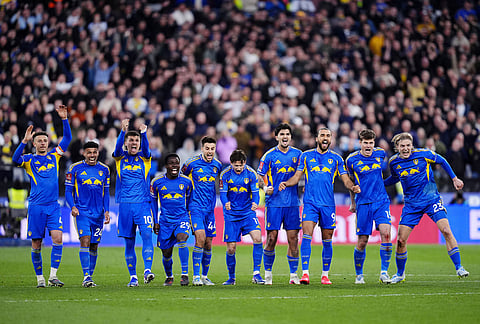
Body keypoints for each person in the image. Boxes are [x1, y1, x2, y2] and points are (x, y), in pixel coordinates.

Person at [385, 132, 469, 283]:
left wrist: (454, 178)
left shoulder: (424, 154)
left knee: (446, 230)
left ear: (412, 146)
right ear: (397, 147)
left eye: (408, 146)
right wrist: (379, 183)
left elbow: (442, 161)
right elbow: (395, 178)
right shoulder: (393, 162)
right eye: (402, 146)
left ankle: (459, 267)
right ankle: (400, 274)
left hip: (431, 200)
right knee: (400, 241)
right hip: (411, 205)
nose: (405, 149)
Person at [279, 128, 360, 285]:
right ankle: (305, 274)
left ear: (331, 139)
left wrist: (353, 187)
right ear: (317, 138)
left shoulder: (336, 158)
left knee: (327, 239)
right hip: (310, 203)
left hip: (328, 205)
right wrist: (286, 183)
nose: (325, 138)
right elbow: (297, 176)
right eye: (322, 135)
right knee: (307, 235)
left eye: (328, 136)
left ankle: (325, 275)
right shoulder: (306, 156)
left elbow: (345, 179)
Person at [12, 104, 71, 288]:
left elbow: (67, 138)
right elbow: (15, 159)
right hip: (36, 206)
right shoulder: (29, 159)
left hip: (53, 205)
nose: (43, 143)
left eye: (45, 140)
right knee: (36, 243)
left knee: (58, 238)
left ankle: (53, 276)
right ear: (34, 143)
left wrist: (64, 119)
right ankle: (40, 279)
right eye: (40, 141)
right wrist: (23, 141)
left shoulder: (55, 156)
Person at [257, 123, 302, 285]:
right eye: (282, 134)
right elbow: (259, 175)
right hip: (274, 203)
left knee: (293, 239)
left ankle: (293, 275)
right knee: (271, 238)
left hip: (292, 204)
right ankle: (268, 275)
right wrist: (265, 187)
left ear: (290, 137)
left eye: (287, 134)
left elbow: (302, 174)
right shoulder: (269, 155)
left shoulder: (298, 154)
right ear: (276, 137)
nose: (285, 137)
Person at [345, 129, 392, 284]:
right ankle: (359, 275)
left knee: (386, 234)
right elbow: (351, 182)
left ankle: (384, 272)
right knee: (363, 241)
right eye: (365, 143)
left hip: (381, 201)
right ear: (360, 143)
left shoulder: (380, 154)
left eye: (371, 142)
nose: (368, 146)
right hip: (363, 203)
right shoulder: (351, 160)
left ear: (374, 143)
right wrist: (353, 202)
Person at [113, 119, 155, 287]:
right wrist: (123, 131)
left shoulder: (145, 159)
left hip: (143, 204)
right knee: (129, 242)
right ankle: (133, 277)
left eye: (136, 140)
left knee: (146, 235)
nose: (134, 143)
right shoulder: (119, 158)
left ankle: (147, 270)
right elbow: (116, 149)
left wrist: (143, 133)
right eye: (131, 140)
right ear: (126, 143)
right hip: (125, 205)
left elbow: (146, 149)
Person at [65, 141, 110, 287]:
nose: (92, 155)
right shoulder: (74, 168)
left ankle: (90, 276)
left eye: (94, 152)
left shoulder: (105, 170)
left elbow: (107, 193)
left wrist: (107, 211)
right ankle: (86, 277)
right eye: (89, 152)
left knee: (94, 246)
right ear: (84, 153)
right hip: (82, 212)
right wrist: (72, 206)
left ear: (98, 153)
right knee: (85, 240)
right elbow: (67, 192)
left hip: (98, 214)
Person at [181, 136, 222, 286]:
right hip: (195, 207)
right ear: (202, 148)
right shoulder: (190, 164)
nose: (210, 151)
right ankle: (195, 276)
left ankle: (204, 276)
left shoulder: (217, 165)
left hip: (210, 210)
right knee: (200, 237)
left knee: (209, 243)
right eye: (207, 148)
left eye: (212, 149)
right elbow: (181, 179)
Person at [220, 149, 264, 285]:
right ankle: (231, 278)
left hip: (247, 212)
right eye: (236, 165)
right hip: (231, 214)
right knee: (231, 248)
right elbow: (223, 193)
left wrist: (255, 203)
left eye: (240, 165)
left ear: (244, 163)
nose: (238, 168)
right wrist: (225, 202)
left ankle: (256, 274)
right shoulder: (225, 174)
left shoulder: (251, 173)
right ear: (231, 163)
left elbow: (255, 192)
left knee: (257, 237)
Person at [151, 153, 194, 286]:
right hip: (165, 221)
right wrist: (155, 222)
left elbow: (190, 201)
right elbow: (153, 203)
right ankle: (169, 276)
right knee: (166, 253)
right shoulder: (157, 182)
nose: (175, 166)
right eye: (171, 163)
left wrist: (190, 219)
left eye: (177, 163)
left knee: (182, 239)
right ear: (166, 166)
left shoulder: (186, 181)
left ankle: (184, 275)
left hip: (181, 218)